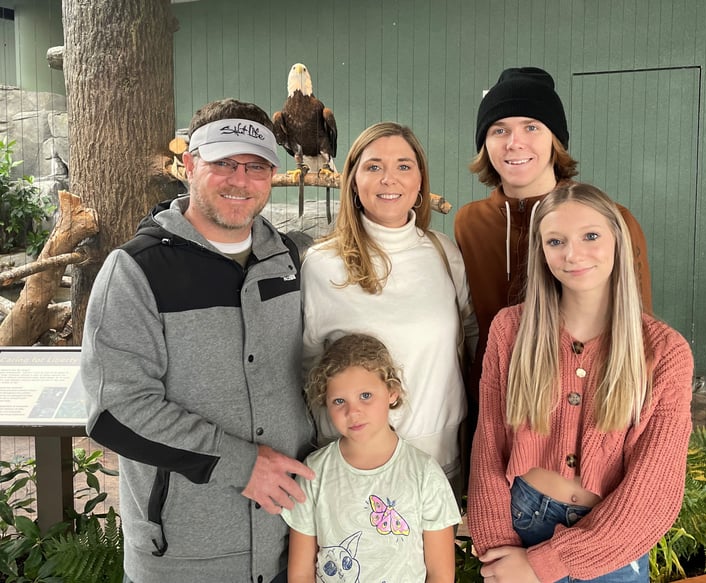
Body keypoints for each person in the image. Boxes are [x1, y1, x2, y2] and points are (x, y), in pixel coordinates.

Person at [80, 98, 315, 583]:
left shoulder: (288, 260)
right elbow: (115, 411)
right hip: (184, 556)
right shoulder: (136, 271)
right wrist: (241, 465)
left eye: (255, 166)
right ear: (188, 164)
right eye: (223, 163)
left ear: (272, 174)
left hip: (286, 543)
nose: (240, 180)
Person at [468, 183, 694, 583]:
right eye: (556, 241)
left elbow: (654, 486)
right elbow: (488, 442)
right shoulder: (511, 330)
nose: (573, 254)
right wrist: (494, 541)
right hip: (519, 526)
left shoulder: (664, 351)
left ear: (617, 240)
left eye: (590, 236)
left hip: (612, 545)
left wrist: (544, 565)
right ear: (541, 252)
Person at [454, 67, 653, 406]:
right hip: (493, 399)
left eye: (531, 127)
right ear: (485, 144)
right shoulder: (470, 223)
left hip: (584, 403)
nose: (514, 142)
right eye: (499, 129)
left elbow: (637, 326)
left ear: (554, 140)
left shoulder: (610, 221)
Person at [301, 121, 478, 486]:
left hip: (438, 461)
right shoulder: (322, 263)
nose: (388, 179)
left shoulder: (443, 254)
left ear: (420, 180)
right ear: (353, 180)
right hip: (352, 469)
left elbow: (471, 338)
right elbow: (306, 366)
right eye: (373, 166)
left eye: (403, 166)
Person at [283, 333, 461, 582]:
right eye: (339, 401)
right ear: (325, 403)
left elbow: (441, 574)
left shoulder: (425, 473)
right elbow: (300, 574)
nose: (353, 411)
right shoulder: (313, 473)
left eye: (365, 396)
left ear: (392, 392)